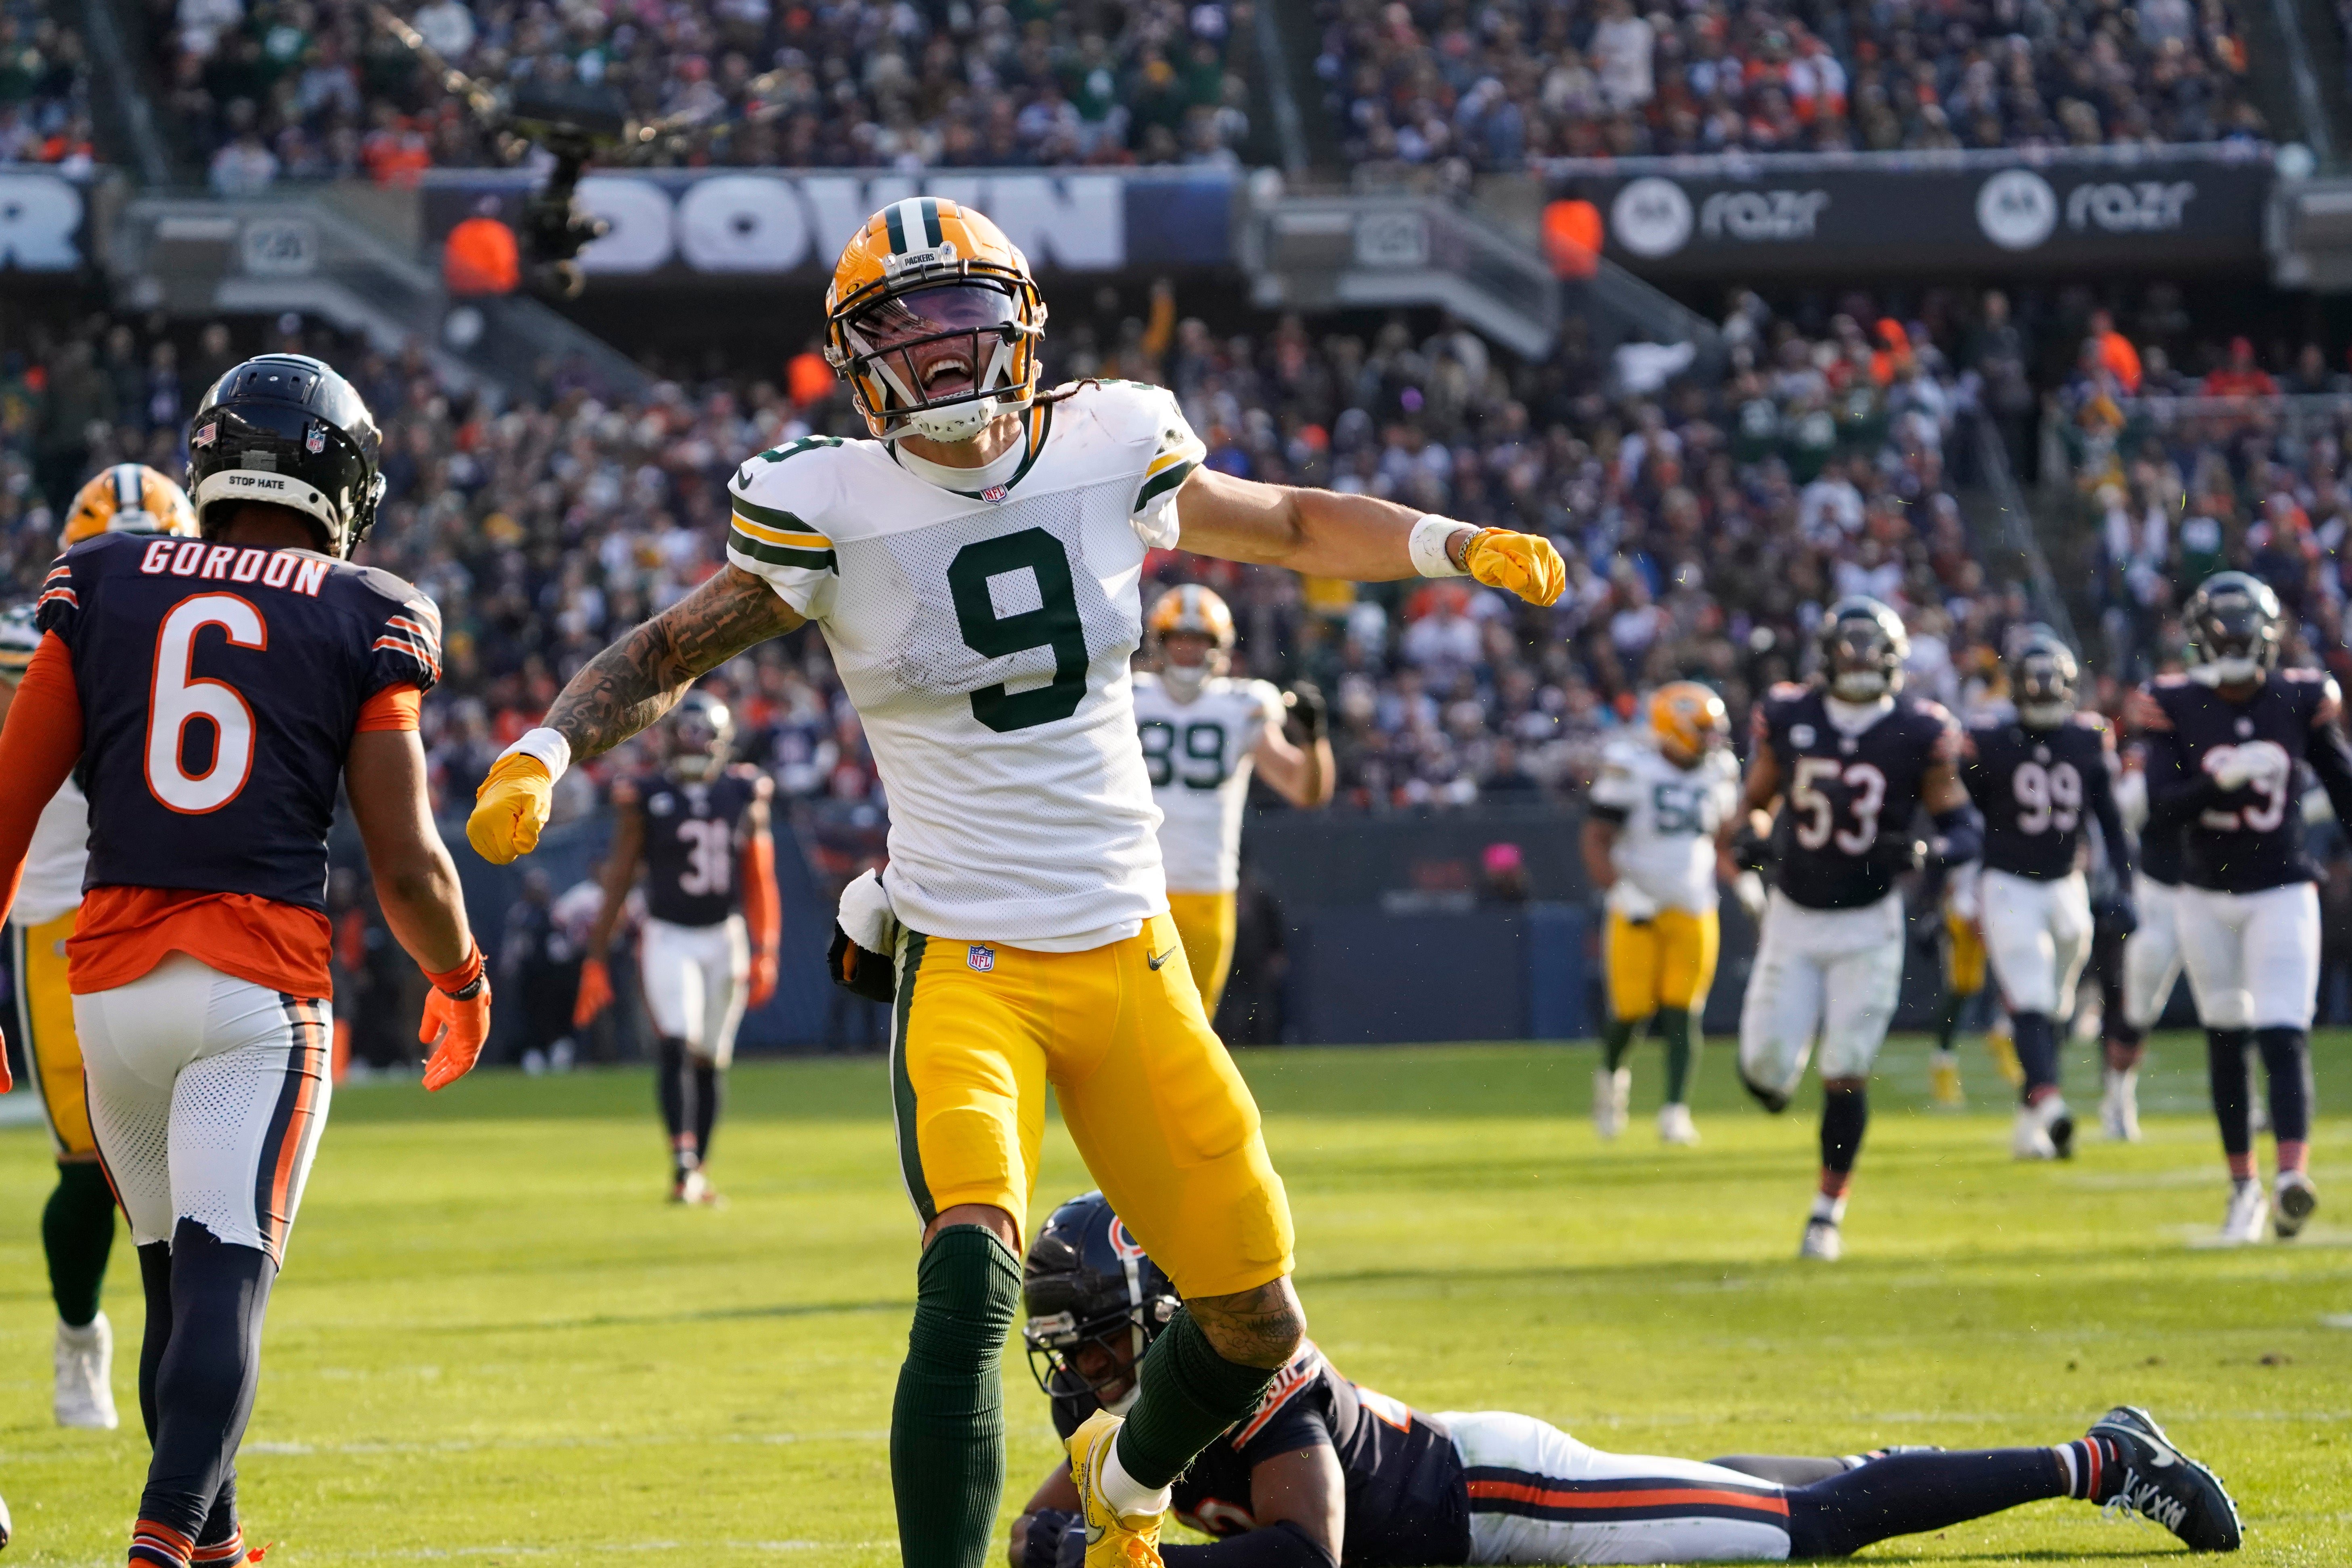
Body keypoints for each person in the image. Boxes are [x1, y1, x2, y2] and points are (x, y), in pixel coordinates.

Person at [463, 197, 1567, 1568]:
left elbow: (1282, 520)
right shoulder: (828, 500)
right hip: (969, 962)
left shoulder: (1110, 441)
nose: (935, 348)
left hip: (1130, 949)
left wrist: (1444, 543)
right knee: (968, 1278)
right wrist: (541, 745)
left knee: (1253, 1319)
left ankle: (1126, 1486)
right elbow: (663, 651)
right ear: (853, 357)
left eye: (957, 313)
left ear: (1019, 322)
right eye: (897, 324)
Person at [0, 354, 490, 1568]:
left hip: (106, 986)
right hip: (255, 983)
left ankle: (208, 1550)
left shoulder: (104, 576)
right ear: (348, 479)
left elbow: (7, 812)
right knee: (226, 1280)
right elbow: (410, 865)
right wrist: (463, 976)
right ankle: (162, 1552)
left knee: (172, 1286)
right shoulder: (364, 604)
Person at [1007, 1191, 2243, 1567]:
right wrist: (1044, 1540)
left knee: (1801, 1530)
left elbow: (1305, 1550)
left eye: (1101, 1340)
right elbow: (1049, 1521)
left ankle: (2102, 1459)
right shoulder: (1127, 1411)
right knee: (1743, 1497)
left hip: (1509, 1502)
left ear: (1168, 1317)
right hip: (1459, 1521)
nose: (1085, 1370)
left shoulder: (1252, 1367)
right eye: (1070, 1346)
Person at [0, 463, 200, 1430]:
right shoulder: (32, 632)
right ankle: (82, 1336)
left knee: (202, 1169)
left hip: (182, 901)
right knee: (89, 1162)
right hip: (59, 920)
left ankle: (197, 1376)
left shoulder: (226, 629)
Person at [1720, 598, 1981, 1260]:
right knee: (1766, 1069)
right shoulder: (1789, 713)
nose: (1860, 660)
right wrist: (1752, 837)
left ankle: (1825, 1213)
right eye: (1850, 647)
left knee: (1846, 1067)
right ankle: (1780, 1079)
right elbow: (1754, 803)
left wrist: (1930, 855)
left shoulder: (1919, 728)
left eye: (1872, 648)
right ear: (1827, 654)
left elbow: (1963, 825)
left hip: (1869, 920)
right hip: (1795, 915)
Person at [2131, 572, 2352, 1242]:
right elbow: (2160, 813)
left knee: (2284, 1033)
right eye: (2220, 630)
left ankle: (2290, 1175)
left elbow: (2342, 782)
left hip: (2283, 887)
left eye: (2241, 630)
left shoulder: (2299, 696)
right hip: (2204, 893)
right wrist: (2217, 780)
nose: (2231, 642)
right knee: (2227, 1039)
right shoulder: (2172, 703)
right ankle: (2242, 1187)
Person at [573, 687, 780, 1204]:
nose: (693, 747)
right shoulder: (643, 795)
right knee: (676, 1040)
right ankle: (683, 1159)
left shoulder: (744, 792)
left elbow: (760, 878)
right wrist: (597, 953)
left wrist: (766, 946)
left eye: (702, 738)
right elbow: (620, 877)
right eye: (685, 737)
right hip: (668, 934)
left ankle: (697, 1171)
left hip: (724, 935)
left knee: (712, 1056)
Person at [1958, 633, 2133, 1160]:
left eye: (2047, 682)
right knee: (2032, 999)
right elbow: (1961, 813)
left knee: (2053, 1008)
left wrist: (2123, 885)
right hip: (2007, 882)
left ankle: (2027, 1121)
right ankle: (2052, 1106)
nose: (2040, 692)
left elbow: (2110, 822)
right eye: (2031, 683)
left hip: (2065, 886)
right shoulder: (1988, 742)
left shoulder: (2085, 741)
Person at [1132, 585, 1332, 1015]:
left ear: (1218, 647)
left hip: (1207, 887)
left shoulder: (1242, 703)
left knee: (1192, 1025)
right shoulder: (1125, 697)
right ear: (1159, 643)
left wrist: (1315, 741)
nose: (1188, 650)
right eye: (1179, 638)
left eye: (1199, 639)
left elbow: (1306, 791)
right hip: (1131, 887)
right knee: (1125, 1020)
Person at [1580, 681, 1738, 1145]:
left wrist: (1743, 877)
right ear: (1676, 728)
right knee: (1630, 1011)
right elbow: (1595, 840)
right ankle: (1610, 1083)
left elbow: (1724, 839)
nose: (1714, 740)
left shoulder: (1720, 771)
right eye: (1704, 730)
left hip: (1694, 902)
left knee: (1683, 1010)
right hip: (1638, 903)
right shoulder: (1632, 767)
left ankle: (1675, 1110)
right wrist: (1621, 891)